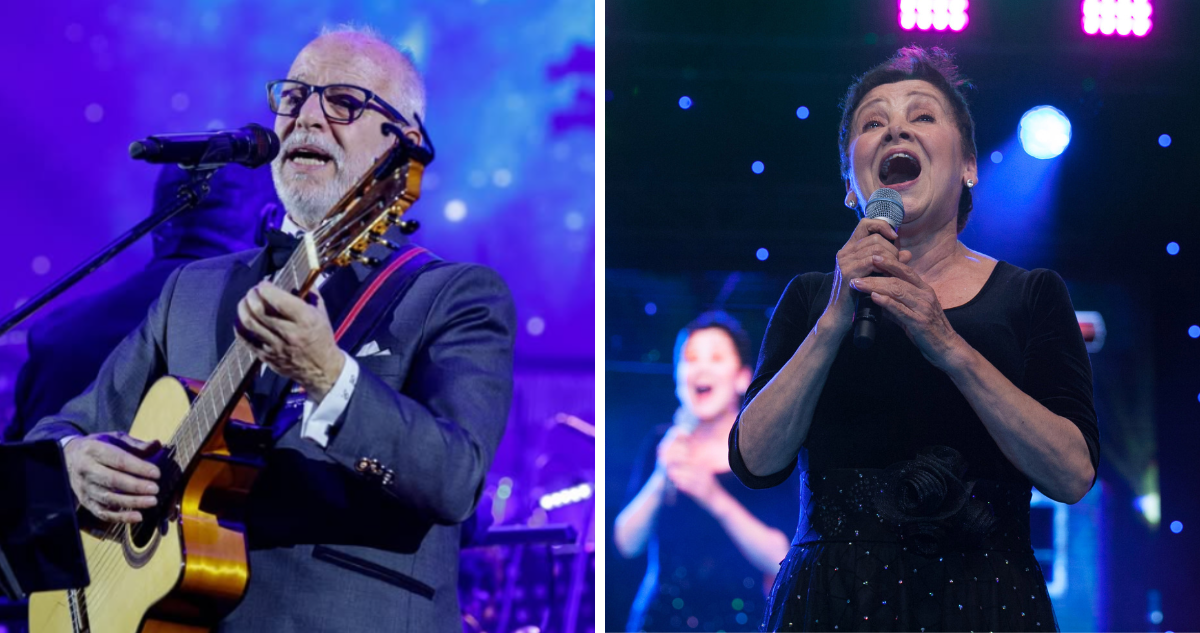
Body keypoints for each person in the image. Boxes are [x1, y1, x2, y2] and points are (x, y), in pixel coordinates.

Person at [25, 25, 516, 633]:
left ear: (403, 145)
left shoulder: (454, 296)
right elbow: (63, 425)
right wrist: (74, 461)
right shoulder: (193, 290)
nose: (307, 116)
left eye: (344, 102)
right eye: (294, 97)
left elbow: (454, 480)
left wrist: (330, 378)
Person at [729, 46, 1097, 632]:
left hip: (986, 598)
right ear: (852, 184)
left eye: (922, 116)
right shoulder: (811, 298)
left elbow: (1072, 473)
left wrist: (947, 344)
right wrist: (833, 321)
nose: (896, 126)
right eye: (873, 122)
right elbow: (755, 460)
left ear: (970, 164)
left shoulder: (1031, 295)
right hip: (834, 599)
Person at [4, 163, 281, 443]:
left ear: (156, 227)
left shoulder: (54, 333)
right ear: (268, 223)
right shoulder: (262, 324)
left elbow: (21, 466)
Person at [615, 311, 797, 632]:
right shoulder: (661, 442)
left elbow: (780, 557)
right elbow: (626, 543)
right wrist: (662, 475)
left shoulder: (762, 451)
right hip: (658, 621)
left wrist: (712, 495)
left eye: (715, 357)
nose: (700, 367)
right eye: (689, 358)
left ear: (742, 377)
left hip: (739, 620)